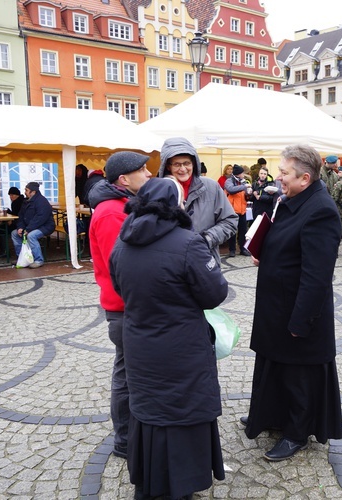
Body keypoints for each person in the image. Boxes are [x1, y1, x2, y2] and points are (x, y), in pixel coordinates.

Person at [109, 177, 228, 500]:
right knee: (181, 410)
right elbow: (214, 294)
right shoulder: (188, 243)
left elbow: (120, 288)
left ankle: (151, 480)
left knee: (149, 410)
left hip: (140, 343)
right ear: (175, 205)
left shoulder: (123, 241)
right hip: (181, 346)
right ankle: (181, 484)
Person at [243, 144, 342, 461]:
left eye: (284, 173)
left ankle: (296, 433)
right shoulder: (293, 200)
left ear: (305, 177)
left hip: (296, 309)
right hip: (278, 304)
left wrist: (302, 321)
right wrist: (266, 253)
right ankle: (270, 416)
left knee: (298, 376)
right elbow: (289, 244)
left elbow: (316, 275)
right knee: (275, 366)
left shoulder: (321, 211)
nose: (279, 178)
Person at [89, 151, 152, 460]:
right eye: (143, 170)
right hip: (124, 308)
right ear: (124, 180)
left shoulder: (121, 206)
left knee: (127, 371)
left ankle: (130, 435)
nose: (150, 173)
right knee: (127, 375)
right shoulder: (112, 212)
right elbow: (124, 268)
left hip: (127, 306)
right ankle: (126, 439)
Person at [157, 137, 237, 265]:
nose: (183, 169)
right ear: (167, 166)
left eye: (187, 163)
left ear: (194, 163)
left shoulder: (211, 187)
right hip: (169, 264)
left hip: (205, 261)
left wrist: (207, 239)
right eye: (177, 164)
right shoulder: (157, 191)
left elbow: (230, 220)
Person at [12, 182, 55, 269]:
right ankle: (22, 258)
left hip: (45, 226)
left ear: (33, 192)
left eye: (26, 190)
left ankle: (38, 260)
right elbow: (21, 216)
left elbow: (40, 218)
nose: (25, 192)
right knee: (14, 233)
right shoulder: (26, 201)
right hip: (31, 226)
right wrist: (20, 227)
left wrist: (28, 229)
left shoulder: (42, 202)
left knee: (31, 236)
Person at [224, 165, 251, 257]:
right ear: (239, 174)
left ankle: (242, 249)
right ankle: (232, 250)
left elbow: (245, 195)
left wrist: (248, 193)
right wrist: (244, 187)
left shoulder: (244, 182)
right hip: (232, 210)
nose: (244, 174)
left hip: (242, 210)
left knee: (243, 231)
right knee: (232, 231)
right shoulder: (229, 181)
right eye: (242, 173)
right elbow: (231, 190)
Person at [0, 186, 25, 258]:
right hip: (19, 222)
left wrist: (12, 220)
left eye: (12, 195)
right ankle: (4, 250)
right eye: (10, 195)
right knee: (1, 227)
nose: (11, 197)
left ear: (17, 195)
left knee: (0, 229)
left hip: (19, 224)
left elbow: (18, 215)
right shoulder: (20, 200)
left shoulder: (17, 202)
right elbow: (16, 214)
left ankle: (4, 251)